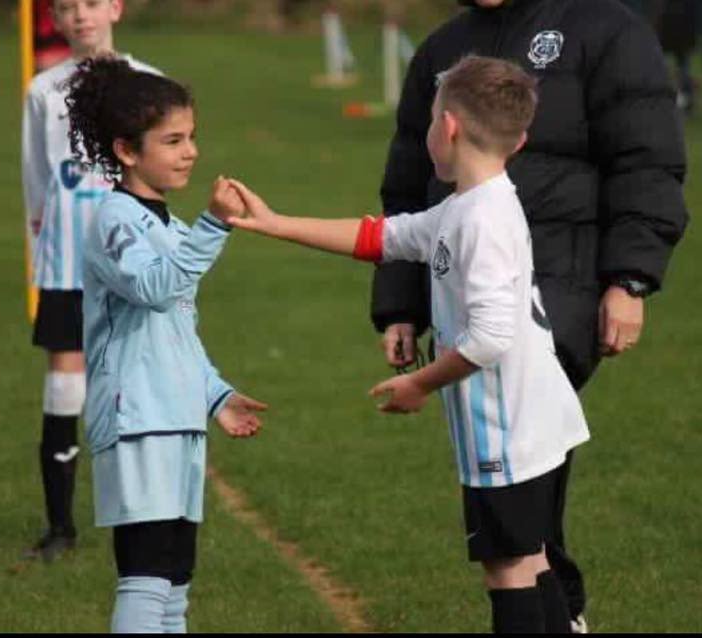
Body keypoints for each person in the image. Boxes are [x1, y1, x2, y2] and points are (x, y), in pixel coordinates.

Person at [227, 55, 590, 634]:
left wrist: (419, 383)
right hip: (533, 421)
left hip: (508, 429)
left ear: (446, 128)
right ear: (519, 139)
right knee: (531, 557)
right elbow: (384, 236)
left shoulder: (482, 220)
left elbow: (493, 337)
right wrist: (277, 223)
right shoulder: (468, 207)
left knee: (508, 570)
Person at [371, 0, 690, 629]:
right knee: (524, 499)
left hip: (561, 285)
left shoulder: (607, 29)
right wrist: (401, 306)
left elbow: (647, 159)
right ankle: (558, 609)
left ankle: (551, 605)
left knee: (516, 502)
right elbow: (407, 187)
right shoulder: (443, 47)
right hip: (465, 290)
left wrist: (629, 279)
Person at [65, 57, 268, 633]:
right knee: (146, 579)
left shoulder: (169, 229)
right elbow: (155, 289)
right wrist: (213, 225)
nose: (190, 152)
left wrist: (217, 396)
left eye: (193, 137)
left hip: (176, 419)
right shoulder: (114, 220)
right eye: (173, 140)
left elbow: (177, 334)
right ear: (127, 151)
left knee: (175, 584)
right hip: (137, 422)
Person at [21, 0, 158, 561]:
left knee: (138, 382)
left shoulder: (149, 83)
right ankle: (60, 528)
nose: (81, 16)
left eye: (92, 4)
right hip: (66, 257)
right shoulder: (43, 90)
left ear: (116, 9)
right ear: (54, 17)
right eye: (68, 7)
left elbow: (161, 168)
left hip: (129, 255)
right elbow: (36, 176)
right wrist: (41, 240)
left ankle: (147, 517)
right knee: (65, 384)